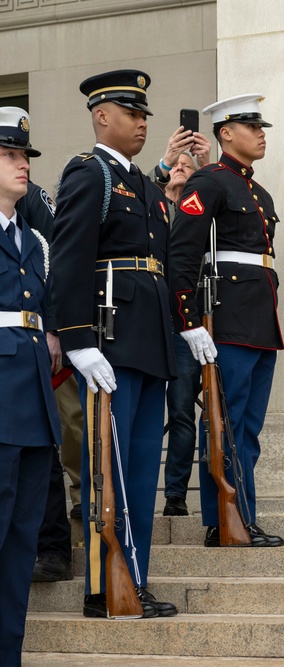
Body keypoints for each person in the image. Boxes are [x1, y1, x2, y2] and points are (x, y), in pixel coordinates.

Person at [50, 69, 178, 618]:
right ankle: (105, 587)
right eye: (132, 113)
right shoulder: (90, 174)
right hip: (110, 344)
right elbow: (71, 258)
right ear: (103, 116)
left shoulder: (146, 187)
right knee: (112, 467)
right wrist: (78, 340)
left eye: (146, 114)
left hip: (150, 343)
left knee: (143, 466)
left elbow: (162, 265)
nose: (143, 122)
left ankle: (136, 579)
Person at [169, 94, 284, 548]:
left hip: (261, 320)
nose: (261, 134)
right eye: (251, 127)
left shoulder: (261, 192)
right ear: (225, 134)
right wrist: (189, 319)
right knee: (223, 421)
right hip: (228, 318)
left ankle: (245, 517)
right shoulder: (210, 182)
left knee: (248, 428)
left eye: (262, 127)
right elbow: (182, 253)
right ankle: (223, 519)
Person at [0, 106, 61, 665]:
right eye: (12, 156)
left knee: (21, 546)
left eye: (24, 156)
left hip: (35, 406)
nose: (24, 165)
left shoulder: (35, 243)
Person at [16, 180, 75, 583]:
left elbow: (56, 264)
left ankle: (54, 545)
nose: (19, 163)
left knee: (43, 443)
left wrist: (54, 330)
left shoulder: (32, 201)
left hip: (30, 343)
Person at [151, 138, 210, 518]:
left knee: (183, 411)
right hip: (151, 326)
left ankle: (175, 495)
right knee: (145, 411)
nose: (181, 170)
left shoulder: (203, 213)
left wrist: (204, 170)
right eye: (177, 166)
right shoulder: (151, 210)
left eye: (188, 168)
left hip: (185, 326)